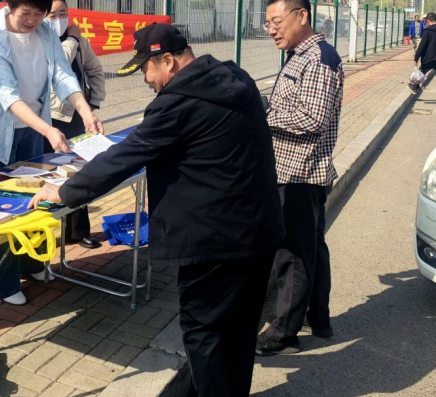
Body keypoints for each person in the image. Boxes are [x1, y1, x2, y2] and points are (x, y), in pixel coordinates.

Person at [29, 24, 285, 397]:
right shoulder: (235, 77)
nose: (146, 80)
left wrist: (65, 191)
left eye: (146, 69)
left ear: (168, 60)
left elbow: (125, 157)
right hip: (259, 230)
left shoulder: (178, 103)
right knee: (240, 330)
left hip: (214, 243)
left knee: (204, 333)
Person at [0, 0, 103, 306]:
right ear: (10, 6)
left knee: (34, 198)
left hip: (33, 127)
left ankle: (31, 264)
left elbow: (61, 74)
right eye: (25, 14)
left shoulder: (44, 30)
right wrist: (48, 129)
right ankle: (1, 282)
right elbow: (8, 96)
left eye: (39, 14)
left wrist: (85, 110)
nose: (32, 21)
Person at [256, 0, 344, 357]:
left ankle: (283, 334)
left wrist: (264, 116)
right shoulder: (299, 55)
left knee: (292, 255)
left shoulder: (318, 59)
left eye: (277, 21)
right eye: (267, 24)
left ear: (301, 15)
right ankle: (317, 318)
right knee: (311, 249)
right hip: (296, 169)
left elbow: (312, 118)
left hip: (299, 173)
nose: (271, 30)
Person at [42, 0, 106, 250]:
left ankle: (77, 232)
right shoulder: (43, 42)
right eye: (52, 15)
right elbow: (58, 65)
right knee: (48, 174)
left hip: (76, 117)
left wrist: (93, 104)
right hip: (49, 118)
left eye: (63, 14)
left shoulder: (80, 41)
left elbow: (95, 70)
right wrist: (72, 39)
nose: (59, 20)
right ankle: (45, 233)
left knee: (78, 171)